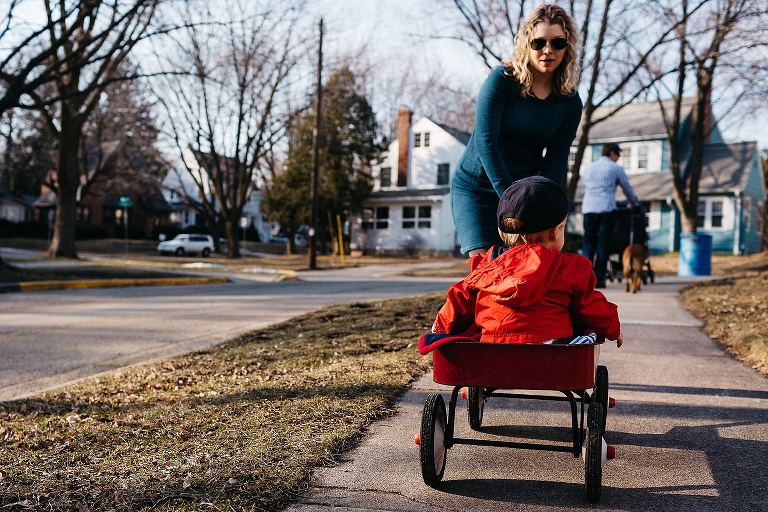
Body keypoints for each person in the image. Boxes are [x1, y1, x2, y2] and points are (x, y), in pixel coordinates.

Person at [451, 4, 583, 257]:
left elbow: (556, 158)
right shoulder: (502, 81)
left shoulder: (570, 101)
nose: (548, 50)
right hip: (478, 188)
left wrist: (548, 205)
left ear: (568, 47)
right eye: (539, 42)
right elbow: (485, 141)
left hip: (523, 195)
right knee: (485, 266)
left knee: (524, 274)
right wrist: (511, 200)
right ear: (526, 43)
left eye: (557, 43)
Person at [430, 176, 623, 347]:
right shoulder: (571, 267)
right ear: (555, 232)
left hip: (493, 348)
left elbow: (459, 299)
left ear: (501, 233)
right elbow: (591, 307)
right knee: (586, 332)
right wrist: (613, 329)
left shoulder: (486, 265)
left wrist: (440, 326)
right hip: (552, 350)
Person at [581, 142, 639, 288]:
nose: (618, 158)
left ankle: (584, 278)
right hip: (606, 209)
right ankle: (599, 278)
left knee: (588, 244)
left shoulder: (588, 168)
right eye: (618, 154)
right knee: (603, 244)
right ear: (612, 153)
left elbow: (585, 186)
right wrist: (634, 202)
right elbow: (626, 187)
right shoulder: (615, 168)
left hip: (588, 208)